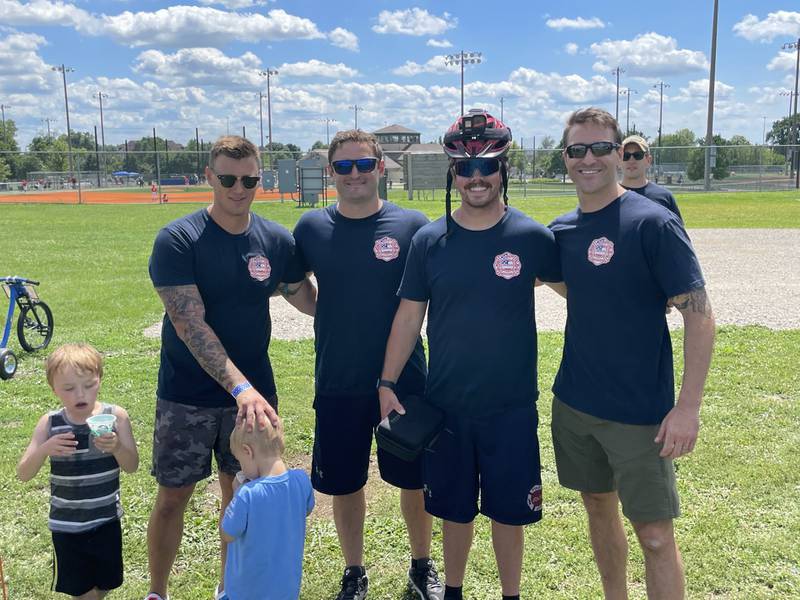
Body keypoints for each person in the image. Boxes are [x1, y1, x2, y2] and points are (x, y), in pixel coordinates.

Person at [379, 110, 561, 600]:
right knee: (454, 510)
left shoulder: (532, 237)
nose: (476, 178)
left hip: (511, 405)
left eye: (487, 168)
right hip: (449, 404)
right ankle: (453, 592)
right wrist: (387, 383)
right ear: (452, 173)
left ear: (504, 169)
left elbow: (587, 294)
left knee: (509, 512)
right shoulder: (429, 241)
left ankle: (510, 595)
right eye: (464, 168)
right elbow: (407, 317)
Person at [549, 107, 715, 599]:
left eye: (601, 147)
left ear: (620, 155)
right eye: (578, 150)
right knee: (598, 508)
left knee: (657, 535)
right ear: (566, 158)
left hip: (641, 412)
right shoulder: (562, 229)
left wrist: (687, 408)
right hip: (575, 404)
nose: (589, 159)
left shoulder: (654, 223)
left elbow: (700, 315)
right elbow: (571, 286)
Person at [146, 135, 315, 600]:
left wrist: (360, 305)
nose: (239, 188)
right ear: (209, 178)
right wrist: (241, 388)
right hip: (187, 395)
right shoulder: (179, 240)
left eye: (249, 179)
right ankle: (157, 591)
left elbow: (305, 297)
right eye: (227, 179)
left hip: (252, 397)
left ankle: (230, 588)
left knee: (239, 497)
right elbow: (189, 325)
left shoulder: (276, 241)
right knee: (172, 497)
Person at [292, 129, 442, 600]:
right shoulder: (311, 228)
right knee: (345, 482)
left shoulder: (413, 225)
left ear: (380, 167)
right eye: (343, 166)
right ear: (331, 171)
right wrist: (332, 313)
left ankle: (422, 566)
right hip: (338, 377)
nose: (354, 174)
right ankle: (354, 572)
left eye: (363, 164)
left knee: (413, 479)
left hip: (405, 379)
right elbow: (297, 287)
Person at [17, 343, 139, 600]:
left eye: (89, 385)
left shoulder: (116, 417)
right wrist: (45, 449)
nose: (79, 395)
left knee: (106, 583)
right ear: (54, 390)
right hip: (67, 526)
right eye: (69, 389)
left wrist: (117, 446)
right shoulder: (50, 423)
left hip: (106, 521)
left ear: (100, 380)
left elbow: (131, 466)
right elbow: (23, 473)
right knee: (82, 592)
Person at [221, 415, 314, 600]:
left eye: (240, 461)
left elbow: (228, 533)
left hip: (246, 591)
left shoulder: (246, 494)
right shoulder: (301, 480)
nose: (242, 467)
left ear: (248, 451)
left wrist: (236, 494)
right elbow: (307, 509)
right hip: (286, 589)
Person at [620, 135, 683, 221]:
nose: (631, 160)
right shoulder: (609, 196)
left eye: (637, 155)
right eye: (626, 156)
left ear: (648, 160)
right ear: (619, 160)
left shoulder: (664, 197)